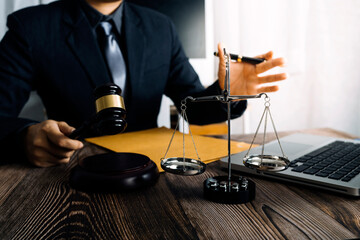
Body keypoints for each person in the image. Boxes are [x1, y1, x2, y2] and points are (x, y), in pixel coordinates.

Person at [0, 0, 287, 167]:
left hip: (151, 168)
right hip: (73, 168)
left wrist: (230, 94)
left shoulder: (160, 26)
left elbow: (193, 107)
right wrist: (23, 137)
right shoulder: (30, 27)